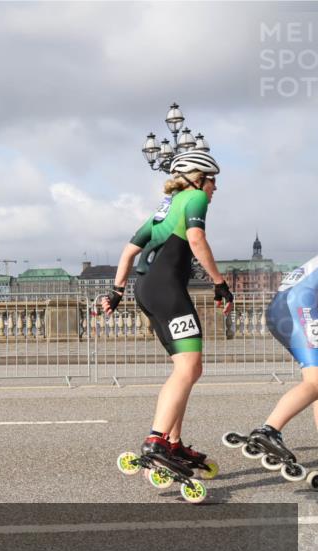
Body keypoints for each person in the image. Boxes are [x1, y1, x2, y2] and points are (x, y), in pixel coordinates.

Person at [102, 149, 233, 468]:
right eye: (212, 181)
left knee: (186, 368)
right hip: (167, 290)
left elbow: (128, 252)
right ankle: (157, 440)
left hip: (146, 289)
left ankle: (172, 442)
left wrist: (117, 292)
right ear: (198, 179)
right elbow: (196, 239)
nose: (215, 188)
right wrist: (220, 283)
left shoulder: (164, 209)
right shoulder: (194, 198)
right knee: (190, 368)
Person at [236, 254, 318, 465]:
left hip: (286, 305)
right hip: (300, 306)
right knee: (315, 382)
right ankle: (269, 430)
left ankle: (270, 430)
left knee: (316, 381)